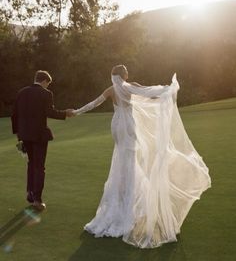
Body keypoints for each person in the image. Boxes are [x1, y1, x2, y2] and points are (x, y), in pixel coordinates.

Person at [73, 65, 211, 248]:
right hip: (128, 124)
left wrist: (75, 112)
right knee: (129, 161)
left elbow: (93, 104)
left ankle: (120, 199)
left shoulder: (110, 90)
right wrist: (168, 90)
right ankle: (129, 205)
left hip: (117, 126)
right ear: (125, 75)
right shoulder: (130, 86)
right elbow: (149, 93)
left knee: (121, 159)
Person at [11, 70, 75, 211]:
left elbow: (14, 115)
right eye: (48, 84)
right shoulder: (46, 94)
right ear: (45, 81)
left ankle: (30, 194)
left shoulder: (21, 92)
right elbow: (49, 112)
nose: (48, 87)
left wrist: (18, 135)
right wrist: (65, 113)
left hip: (25, 136)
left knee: (31, 164)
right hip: (39, 136)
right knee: (39, 167)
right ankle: (37, 200)